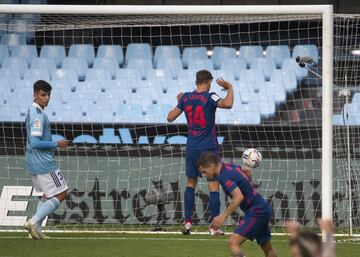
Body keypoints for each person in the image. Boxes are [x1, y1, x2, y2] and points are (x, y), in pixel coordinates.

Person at [167, 70, 234, 235]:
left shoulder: (186, 98)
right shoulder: (210, 97)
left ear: (196, 81)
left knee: (191, 183)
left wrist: (183, 100)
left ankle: (188, 223)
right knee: (213, 186)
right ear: (209, 81)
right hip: (208, 148)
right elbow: (228, 104)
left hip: (191, 147)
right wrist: (230, 87)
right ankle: (213, 227)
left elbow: (169, 117)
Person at [197, 151, 277, 257]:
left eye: (204, 171)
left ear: (211, 165)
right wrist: (249, 186)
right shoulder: (229, 166)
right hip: (262, 207)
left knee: (233, 242)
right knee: (266, 247)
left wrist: (222, 217)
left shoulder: (225, 176)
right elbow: (247, 170)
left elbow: (238, 197)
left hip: (257, 211)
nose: (204, 175)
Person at [24, 80, 70, 239]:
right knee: (62, 192)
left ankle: (35, 231)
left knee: (47, 194)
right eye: (43, 95)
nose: (47, 98)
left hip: (32, 162)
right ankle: (33, 222)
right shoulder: (38, 116)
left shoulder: (31, 111)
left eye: (49, 95)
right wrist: (57, 143)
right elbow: (36, 142)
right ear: (35, 95)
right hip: (44, 163)